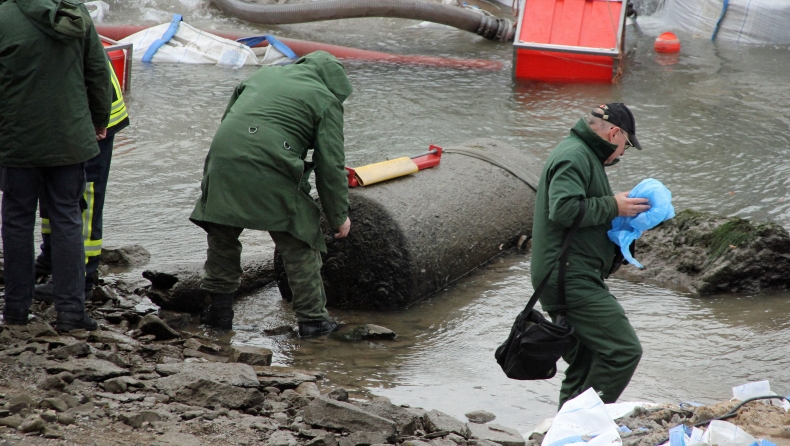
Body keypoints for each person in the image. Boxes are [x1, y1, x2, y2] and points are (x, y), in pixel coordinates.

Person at [189, 51, 353, 337]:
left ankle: (219, 315)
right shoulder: (325, 100)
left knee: (222, 238)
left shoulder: (262, 74)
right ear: (336, 85)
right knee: (300, 241)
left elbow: (230, 122)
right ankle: (313, 322)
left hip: (223, 161)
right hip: (271, 164)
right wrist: (338, 216)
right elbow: (331, 165)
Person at [0, 0, 112, 331]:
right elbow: (97, 71)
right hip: (69, 137)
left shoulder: (4, 16)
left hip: (18, 138)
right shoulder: (77, 14)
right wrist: (99, 120)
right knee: (67, 218)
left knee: (17, 220)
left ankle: (16, 310)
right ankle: (71, 312)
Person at [530, 103, 651, 408]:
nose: (622, 153)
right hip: (569, 276)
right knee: (623, 350)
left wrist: (617, 209)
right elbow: (564, 210)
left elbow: (580, 206)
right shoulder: (575, 155)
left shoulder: (583, 153)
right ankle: (585, 425)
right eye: (625, 144)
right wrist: (614, 206)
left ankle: (563, 433)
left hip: (567, 273)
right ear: (614, 133)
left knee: (585, 362)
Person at [33, 61, 130, 302]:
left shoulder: (62, 27)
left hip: (93, 117)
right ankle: (52, 257)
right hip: (66, 115)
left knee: (84, 194)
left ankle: (82, 275)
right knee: (51, 187)